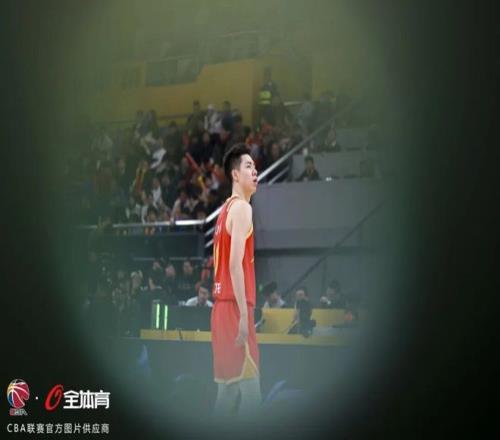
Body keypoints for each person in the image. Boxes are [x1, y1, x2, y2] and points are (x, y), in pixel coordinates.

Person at [211, 143, 261, 418]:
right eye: (248, 166)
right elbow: (234, 265)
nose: (255, 172)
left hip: (221, 310)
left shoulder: (224, 211)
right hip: (234, 308)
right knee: (253, 399)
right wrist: (243, 315)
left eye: (255, 167)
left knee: (227, 396)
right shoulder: (242, 208)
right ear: (234, 174)